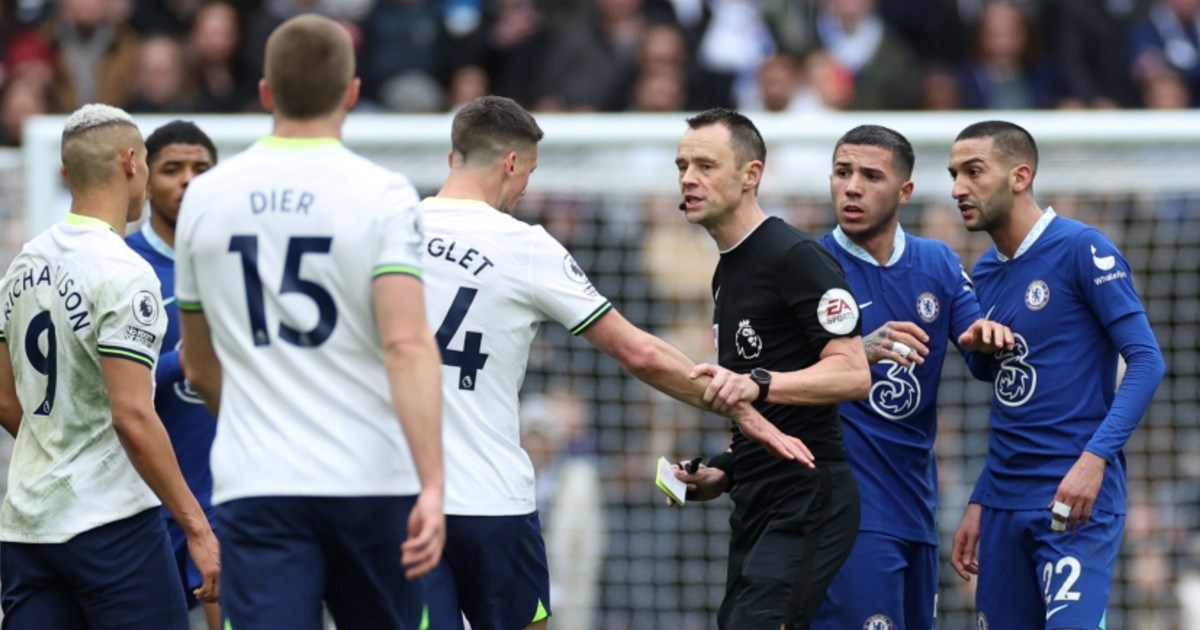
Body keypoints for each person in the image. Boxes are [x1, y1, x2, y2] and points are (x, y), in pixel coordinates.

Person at [417, 95, 812, 630]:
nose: (526, 190)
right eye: (528, 173)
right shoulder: (523, 245)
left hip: (398, 498)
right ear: (511, 163)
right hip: (488, 500)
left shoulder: (390, 231)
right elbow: (640, 352)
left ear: (451, 159)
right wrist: (738, 406)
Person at [174, 15, 444, 629]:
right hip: (371, 480)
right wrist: (433, 481)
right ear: (351, 93)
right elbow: (406, 344)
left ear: (266, 92)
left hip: (257, 481)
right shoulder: (383, 193)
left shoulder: (207, 198)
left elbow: (199, 363)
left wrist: (254, 420)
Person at [0, 103, 220, 628]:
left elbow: (7, 400)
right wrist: (197, 527)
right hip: (111, 524)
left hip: (29, 524)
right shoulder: (124, 270)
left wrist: (59, 452)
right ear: (130, 162)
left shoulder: (25, 261)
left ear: (65, 172)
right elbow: (132, 414)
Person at [947, 120, 1166, 629]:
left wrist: (1094, 460)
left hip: (1074, 501)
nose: (959, 187)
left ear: (1020, 176)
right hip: (1002, 504)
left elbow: (1147, 360)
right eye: (954, 173)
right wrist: (981, 499)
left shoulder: (1082, 249)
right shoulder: (985, 272)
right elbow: (1010, 387)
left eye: (974, 171)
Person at [672, 108, 872, 629]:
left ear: (750, 175)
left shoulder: (794, 255)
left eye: (706, 165)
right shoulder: (727, 270)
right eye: (682, 165)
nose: (689, 178)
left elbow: (852, 374)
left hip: (808, 493)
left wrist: (758, 384)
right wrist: (726, 469)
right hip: (755, 494)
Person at [808, 124, 1013, 630]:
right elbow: (771, 378)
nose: (851, 186)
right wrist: (858, 351)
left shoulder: (937, 263)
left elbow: (981, 358)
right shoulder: (807, 265)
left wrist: (987, 338)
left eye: (870, 175)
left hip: (917, 508)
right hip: (846, 511)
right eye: (842, 172)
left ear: (904, 193)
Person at [125, 119, 221, 630]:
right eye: (172, 169)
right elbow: (107, 388)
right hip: (146, 504)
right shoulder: (121, 264)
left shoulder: (241, 259)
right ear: (144, 179)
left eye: (201, 169)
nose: (188, 180)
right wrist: (187, 361)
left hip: (229, 496)